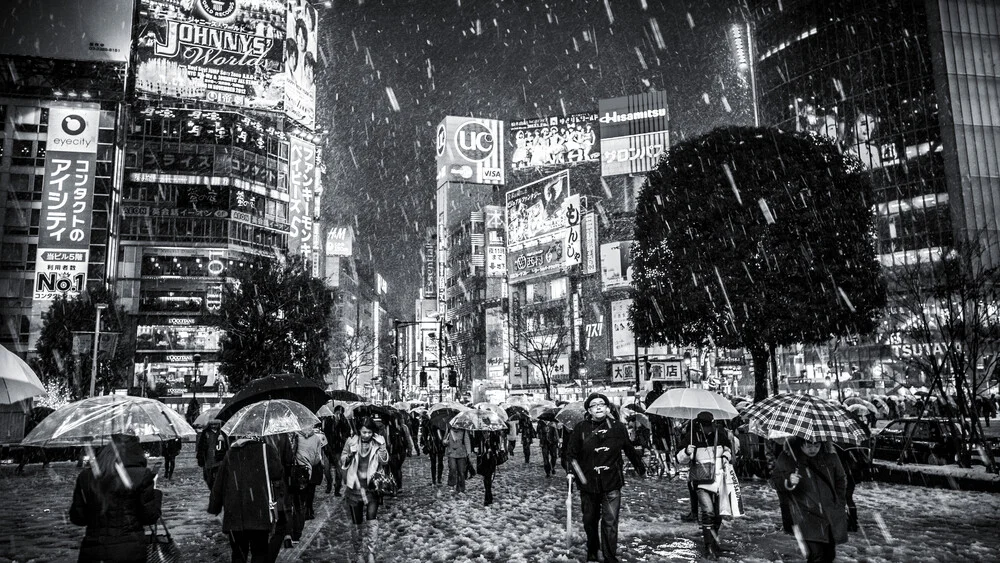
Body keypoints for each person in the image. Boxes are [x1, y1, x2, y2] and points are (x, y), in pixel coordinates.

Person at [567, 393, 646, 563]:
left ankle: (610, 556)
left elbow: (628, 449)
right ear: (589, 410)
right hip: (588, 483)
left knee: (610, 521)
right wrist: (576, 475)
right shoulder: (580, 428)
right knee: (590, 520)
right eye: (594, 405)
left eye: (601, 404)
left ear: (607, 407)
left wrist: (640, 467)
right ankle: (593, 549)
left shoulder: (618, 428)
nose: (598, 407)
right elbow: (571, 456)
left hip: (612, 482)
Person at [69, 434, 163, 563]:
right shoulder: (141, 475)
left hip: (93, 552)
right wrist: (156, 492)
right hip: (129, 551)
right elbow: (149, 516)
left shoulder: (86, 476)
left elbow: (78, 518)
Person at [208, 436, 284, 563]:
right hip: (258, 512)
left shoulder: (231, 453)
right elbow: (277, 473)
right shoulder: (266, 450)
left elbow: (219, 483)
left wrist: (214, 506)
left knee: (238, 554)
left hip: (235, 515)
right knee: (259, 552)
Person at [773, 438, 849, 563]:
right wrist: (788, 480)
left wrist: (839, 502)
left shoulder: (831, 457)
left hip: (829, 514)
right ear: (800, 443)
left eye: (817, 445)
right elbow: (775, 480)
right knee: (816, 555)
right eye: (808, 445)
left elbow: (841, 479)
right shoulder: (788, 457)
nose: (813, 449)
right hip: (805, 513)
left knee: (829, 554)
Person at [675, 411, 734, 560]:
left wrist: (726, 456)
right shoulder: (691, 437)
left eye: (710, 425)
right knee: (708, 512)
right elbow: (679, 458)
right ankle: (708, 547)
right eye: (706, 426)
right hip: (700, 481)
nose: (708, 429)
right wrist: (687, 452)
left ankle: (714, 542)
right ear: (700, 425)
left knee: (718, 513)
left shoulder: (720, 434)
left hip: (719, 479)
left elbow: (729, 450)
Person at [341, 417, 390, 563]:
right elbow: (343, 460)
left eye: (369, 432)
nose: (366, 435)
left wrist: (382, 447)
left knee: (372, 521)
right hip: (354, 489)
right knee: (357, 524)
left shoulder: (378, 441)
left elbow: (385, 460)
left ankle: (371, 553)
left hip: (371, 489)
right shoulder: (351, 441)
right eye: (364, 432)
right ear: (359, 431)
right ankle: (358, 553)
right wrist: (349, 455)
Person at [294, 423, 327, 520]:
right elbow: (318, 455)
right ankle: (309, 510)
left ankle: (302, 511)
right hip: (313, 467)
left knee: (302, 492)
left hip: (301, 469)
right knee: (311, 491)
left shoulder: (296, 437)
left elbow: (293, 452)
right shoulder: (316, 438)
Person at [323, 404, 351, 495]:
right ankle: (329, 484)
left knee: (339, 470)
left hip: (339, 449)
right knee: (326, 470)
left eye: (340, 413)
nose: (338, 414)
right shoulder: (328, 420)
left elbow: (347, 432)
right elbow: (325, 432)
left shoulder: (344, 421)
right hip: (328, 448)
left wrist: (341, 423)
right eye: (337, 412)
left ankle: (337, 488)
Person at [472, 429, 505, 506]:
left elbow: (498, 444)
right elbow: (475, 445)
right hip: (482, 459)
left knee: (488, 476)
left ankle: (488, 495)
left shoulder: (494, 434)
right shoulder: (478, 434)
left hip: (491, 459)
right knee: (485, 477)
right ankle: (488, 494)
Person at [197, 419, 229, 490]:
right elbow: (201, 447)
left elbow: (227, 447)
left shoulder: (222, 433)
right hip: (208, 459)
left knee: (219, 477)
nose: (213, 426)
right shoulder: (205, 433)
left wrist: (224, 441)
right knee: (209, 478)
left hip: (219, 459)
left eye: (215, 424)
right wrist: (200, 458)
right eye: (212, 425)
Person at [444, 423, 473, 494]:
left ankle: (461, 487)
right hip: (451, 453)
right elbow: (444, 440)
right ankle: (452, 485)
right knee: (452, 469)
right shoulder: (449, 429)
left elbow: (467, 441)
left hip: (462, 453)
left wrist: (469, 453)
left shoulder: (464, 430)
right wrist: (445, 442)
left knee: (461, 471)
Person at [421, 415, 446, 485]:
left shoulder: (441, 423)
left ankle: (439, 478)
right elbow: (424, 435)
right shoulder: (427, 424)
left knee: (440, 463)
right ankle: (434, 479)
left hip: (439, 445)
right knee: (434, 463)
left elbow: (443, 434)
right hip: (432, 446)